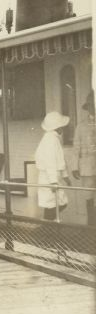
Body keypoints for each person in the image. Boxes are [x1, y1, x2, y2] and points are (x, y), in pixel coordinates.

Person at [35, 111, 71, 221]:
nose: (63, 129)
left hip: (54, 175)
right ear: (58, 127)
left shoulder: (54, 139)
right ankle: (47, 229)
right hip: (49, 177)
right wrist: (53, 181)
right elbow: (50, 162)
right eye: (62, 126)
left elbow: (60, 160)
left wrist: (65, 176)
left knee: (56, 204)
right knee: (53, 204)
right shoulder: (49, 140)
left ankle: (48, 227)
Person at [72, 91, 96, 225]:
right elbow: (76, 148)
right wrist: (75, 167)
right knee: (89, 196)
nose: (93, 107)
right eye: (91, 105)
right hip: (87, 168)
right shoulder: (81, 126)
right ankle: (91, 226)